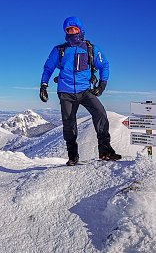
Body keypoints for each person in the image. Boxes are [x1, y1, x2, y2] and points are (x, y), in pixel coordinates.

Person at [39, 16, 121, 166]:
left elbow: (104, 66)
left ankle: (105, 151)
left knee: (100, 113)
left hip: (85, 90)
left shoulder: (91, 49)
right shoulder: (60, 50)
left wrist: (102, 84)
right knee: (69, 123)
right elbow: (48, 67)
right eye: (68, 30)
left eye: (74, 29)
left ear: (80, 30)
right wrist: (43, 84)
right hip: (66, 91)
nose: (72, 32)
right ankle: (73, 156)